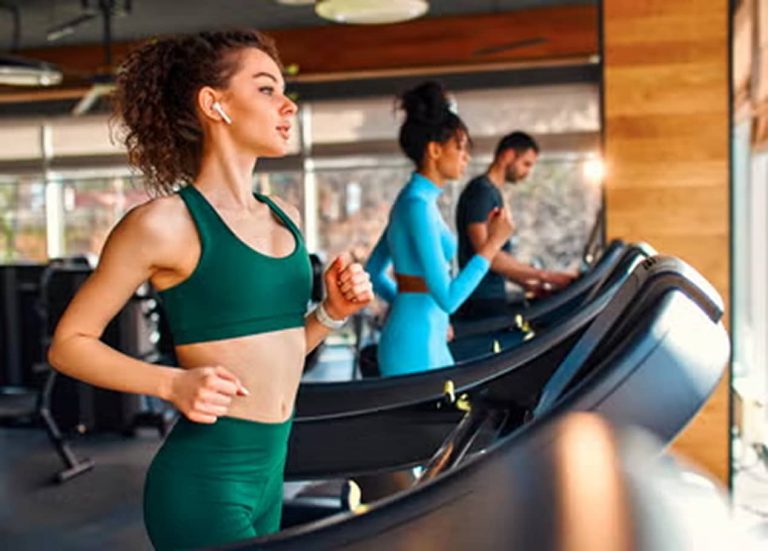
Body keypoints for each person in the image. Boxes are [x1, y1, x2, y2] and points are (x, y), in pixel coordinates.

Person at [47, 30, 373, 550]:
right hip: (203, 485)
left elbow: (276, 353)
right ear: (214, 104)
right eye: (266, 89)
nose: (287, 104)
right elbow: (69, 344)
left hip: (270, 476)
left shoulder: (282, 216)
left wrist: (331, 313)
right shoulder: (161, 224)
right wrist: (171, 385)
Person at [365, 82, 514, 377]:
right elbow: (448, 297)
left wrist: (411, 303)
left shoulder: (416, 201)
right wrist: (492, 245)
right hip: (414, 343)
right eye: (459, 147)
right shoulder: (417, 205)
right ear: (434, 150)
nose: (466, 157)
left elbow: (373, 270)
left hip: (424, 332)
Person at [455, 131, 576, 320]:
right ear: (508, 155)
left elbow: (495, 257)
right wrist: (547, 276)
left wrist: (527, 283)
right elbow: (486, 255)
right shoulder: (481, 192)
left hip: (490, 296)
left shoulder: (493, 193)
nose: (527, 172)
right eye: (526, 164)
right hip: (480, 300)